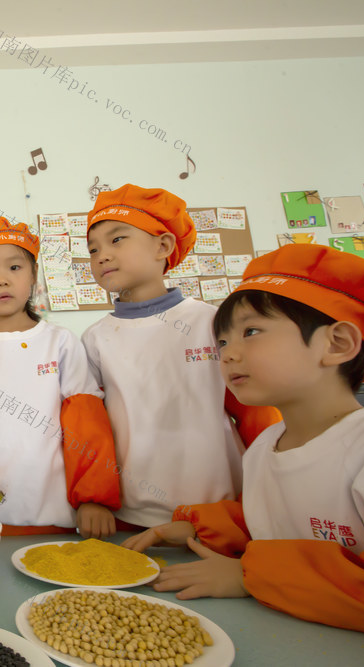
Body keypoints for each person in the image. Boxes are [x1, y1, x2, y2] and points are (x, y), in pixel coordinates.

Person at [124, 244, 364, 633]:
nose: (228, 355)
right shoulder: (264, 447)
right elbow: (270, 522)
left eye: (250, 332)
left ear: (337, 343)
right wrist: (199, 529)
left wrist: (249, 575)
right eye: (222, 342)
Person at [82, 184, 280, 530]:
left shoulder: (211, 322)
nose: (102, 255)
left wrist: (275, 482)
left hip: (221, 510)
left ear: (163, 246)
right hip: (131, 512)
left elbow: (256, 412)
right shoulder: (95, 338)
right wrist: (94, 497)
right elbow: (93, 429)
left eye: (117, 239)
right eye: (93, 248)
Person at [0, 217, 120, 538]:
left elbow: (86, 423)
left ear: (33, 274)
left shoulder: (61, 342)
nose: (2, 280)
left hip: (60, 513)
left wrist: (93, 498)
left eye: (14, 268)